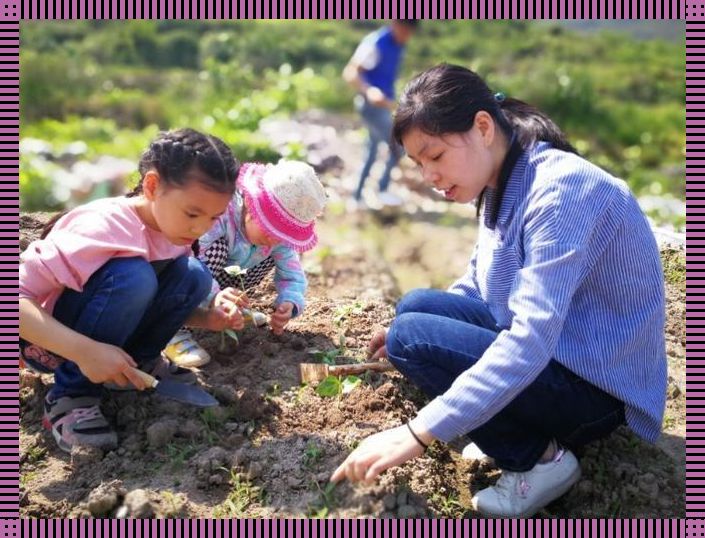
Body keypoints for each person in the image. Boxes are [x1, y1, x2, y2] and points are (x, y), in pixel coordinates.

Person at [331, 64, 667, 518]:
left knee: (413, 338)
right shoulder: (500, 178)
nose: (429, 175)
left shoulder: (561, 192)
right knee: (414, 312)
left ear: (483, 127)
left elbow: (530, 339)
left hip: (596, 386)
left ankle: (539, 460)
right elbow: (477, 283)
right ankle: (506, 425)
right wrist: (427, 333)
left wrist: (416, 433)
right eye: (418, 163)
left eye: (434, 156)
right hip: (562, 354)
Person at [19, 128, 247, 453]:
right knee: (134, 277)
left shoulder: (173, 231)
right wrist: (85, 352)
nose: (201, 227)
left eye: (213, 217)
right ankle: (71, 395)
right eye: (192, 213)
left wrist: (207, 319)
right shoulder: (102, 227)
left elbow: (152, 301)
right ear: (153, 186)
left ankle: (135, 365)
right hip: (51, 344)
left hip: (97, 335)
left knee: (193, 275)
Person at [163, 160, 327, 368]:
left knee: (269, 256)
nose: (274, 240)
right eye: (270, 230)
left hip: (226, 279)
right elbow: (192, 259)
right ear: (251, 205)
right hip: (189, 276)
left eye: (282, 236)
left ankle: (228, 310)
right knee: (215, 252)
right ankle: (173, 329)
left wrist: (290, 302)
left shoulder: (278, 243)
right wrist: (214, 296)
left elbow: (292, 275)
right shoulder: (221, 215)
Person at [343, 19, 418, 209]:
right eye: (406, 32)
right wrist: (369, 91)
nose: (407, 37)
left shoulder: (398, 45)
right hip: (371, 107)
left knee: (372, 151)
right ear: (397, 25)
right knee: (398, 145)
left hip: (383, 106)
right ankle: (382, 190)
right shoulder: (376, 42)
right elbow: (350, 72)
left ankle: (357, 197)